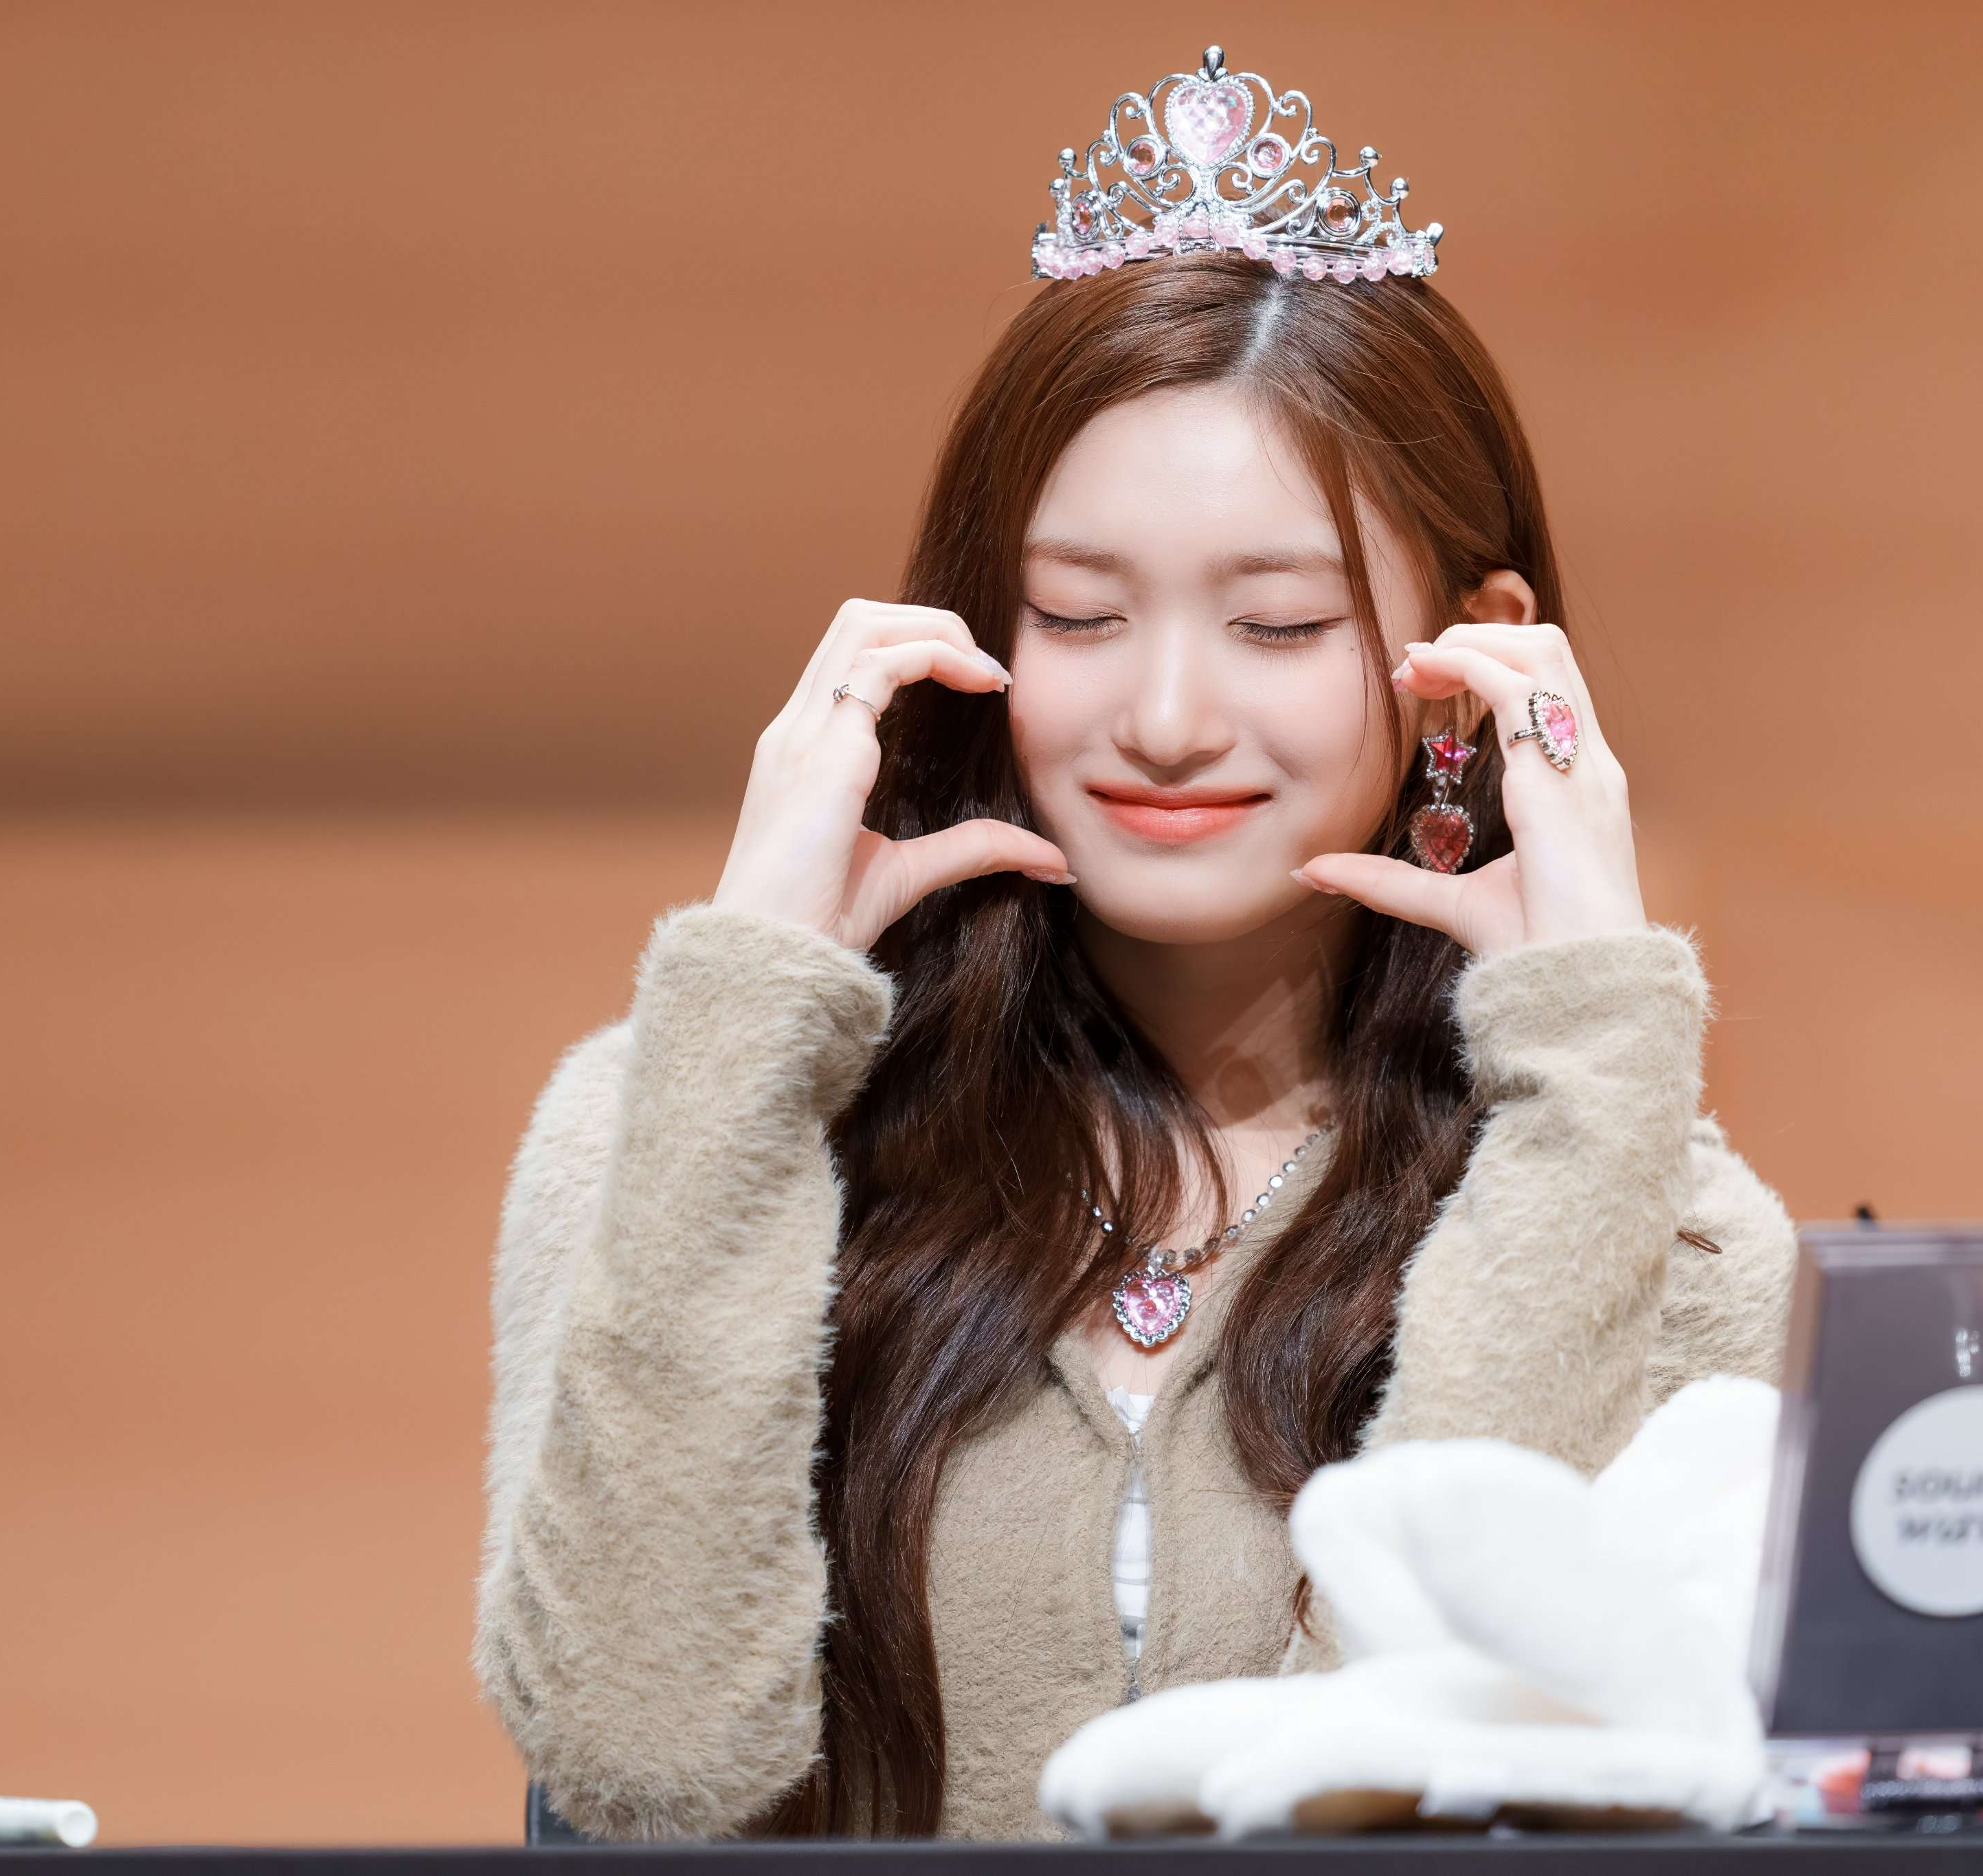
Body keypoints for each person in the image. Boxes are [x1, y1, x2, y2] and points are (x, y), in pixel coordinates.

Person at [471, 46, 1799, 1843]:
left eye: (1279, 625)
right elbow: (640, 1763)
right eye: (1080, 615)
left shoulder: (1665, 1220)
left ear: (1472, 660)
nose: (1164, 720)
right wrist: (745, 1026)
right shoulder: (673, 1126)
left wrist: (1586, 1090)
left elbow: (1444, 1787)